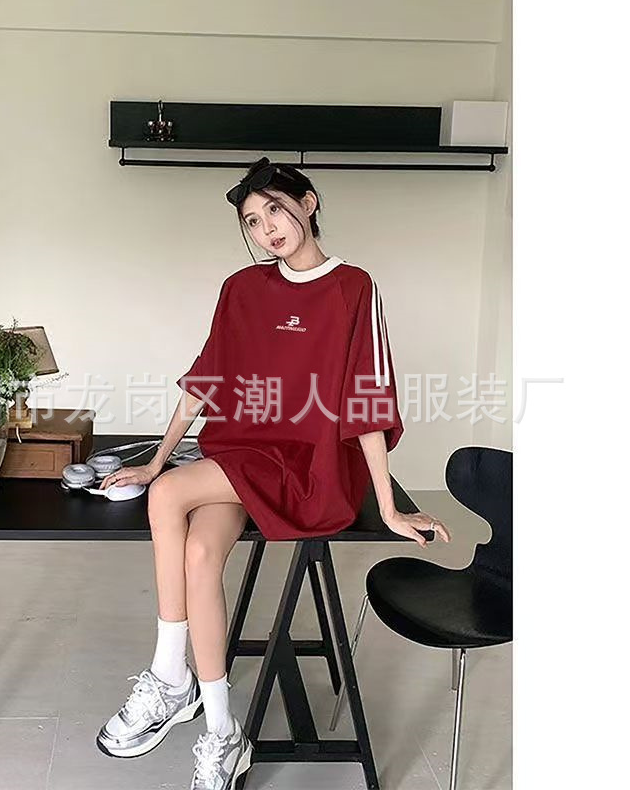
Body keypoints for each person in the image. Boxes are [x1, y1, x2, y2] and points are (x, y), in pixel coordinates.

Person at [95, 157, 452, 790]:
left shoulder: (352, 287)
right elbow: (207, 377)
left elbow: (366, 394)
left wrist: (388, 504)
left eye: (276, 211)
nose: (267, 230)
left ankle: (169, 677)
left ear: (308, 204)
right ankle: (222, 730)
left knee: (170, 493)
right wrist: (155, 457)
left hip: (309, 465)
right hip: (241, 454)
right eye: (253, 222)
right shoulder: (242, 288)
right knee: (199, 554)